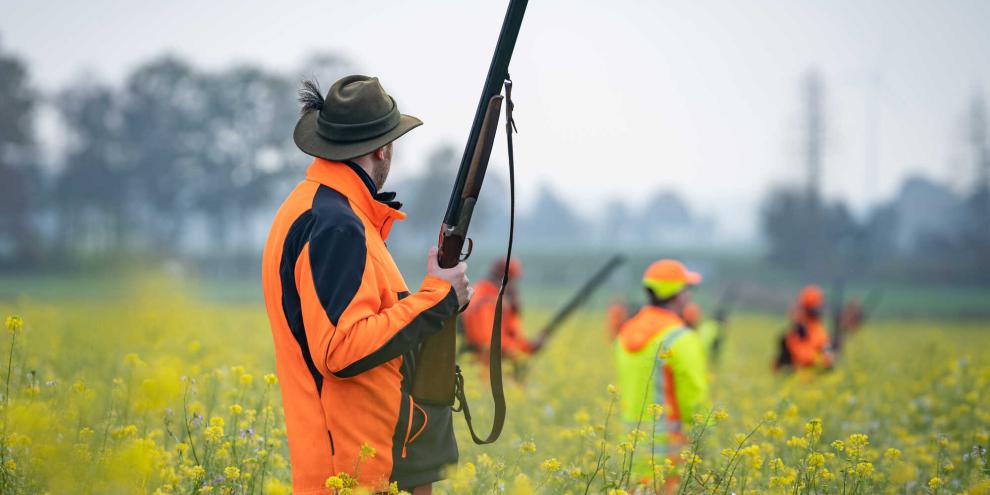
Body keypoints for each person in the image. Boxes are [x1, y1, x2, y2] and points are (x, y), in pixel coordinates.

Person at [261, 75, 472, 494]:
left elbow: (370, 325)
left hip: (358, 462)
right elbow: (342, 348)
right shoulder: (336, 225)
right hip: (350, 470)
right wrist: (438, 297)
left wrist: (435, 300)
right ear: (382, 148)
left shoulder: (315, 208)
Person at [614, 259, 711, 485]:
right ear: (679, 295)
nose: (689, 295)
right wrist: (707, 450)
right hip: (669, 458)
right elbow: (695, 403)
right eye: (687, 289)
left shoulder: (624, 334)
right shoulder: (681, 338)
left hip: (630, 452)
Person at [461, 258, 541, 366]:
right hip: (486, 367)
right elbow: (488, 342)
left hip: (493, 364)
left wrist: (528, 347)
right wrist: (519, 351)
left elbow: (511, 334)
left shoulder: (493, 297)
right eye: (513, 281)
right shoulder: (487, 300)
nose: (515, 288)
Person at [774, 285, 833, 371]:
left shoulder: (817, 331)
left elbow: (826, 359)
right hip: (800, 371)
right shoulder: (792, 335)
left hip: (809, 371)